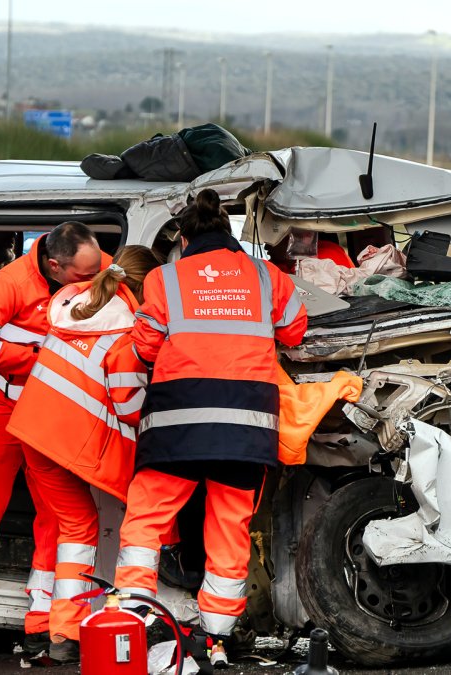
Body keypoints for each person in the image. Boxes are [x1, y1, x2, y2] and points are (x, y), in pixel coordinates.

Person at [114, 189, 307, 667]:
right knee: (229, 529)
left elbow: (143, 346)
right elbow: (295, 332)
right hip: (245, 430)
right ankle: (214, 638)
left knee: (145, 522)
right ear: (231, 234)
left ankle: (133, 621)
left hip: (177, 427)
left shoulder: (163, 279)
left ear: (183, 237)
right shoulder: (268, 278)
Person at [0, 221, 107, 660]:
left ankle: (42, 627)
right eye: (81, 277)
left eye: (95, 273)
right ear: (54, 265)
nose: (91, 284)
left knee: (55, 517)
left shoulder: (93, 266)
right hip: (3, 409)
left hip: (53, 412)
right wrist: (32, 360)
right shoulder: (10, 283)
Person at [6, 245, 160, 663]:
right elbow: (129, 405)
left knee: (74, 526)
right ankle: (65, 631)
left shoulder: (74, 308)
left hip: (33, 433)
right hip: (66, 439)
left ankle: (62, 634)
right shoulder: (127, 333)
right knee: (78, 530)